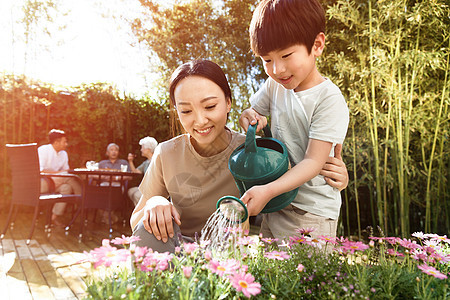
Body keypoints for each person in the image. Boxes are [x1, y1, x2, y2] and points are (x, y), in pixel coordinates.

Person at [131, 59, 348, 253]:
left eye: (210, 106)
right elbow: (137, 222)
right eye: (186, 111)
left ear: (228, 103)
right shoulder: (167, 152)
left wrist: (334, 174)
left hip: (224, 257)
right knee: (146, 230)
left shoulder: (251, 152)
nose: (199, 120)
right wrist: (155, 202)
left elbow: (293, 181)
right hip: (175, 249)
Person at [239, 0, 350, 241]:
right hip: (276, 202)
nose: (277, 69)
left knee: (307, 278)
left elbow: (313, 161)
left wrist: (268, 190)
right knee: (273, 277)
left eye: (286, 55)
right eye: (267, 60)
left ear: (317, 45)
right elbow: (251, 113)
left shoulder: (328, 99)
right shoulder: (274, 86)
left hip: (311, 211)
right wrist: (248, 117)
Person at [38, 129, 82, 226]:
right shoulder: (43, 150)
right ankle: (82, 200)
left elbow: (66, 170)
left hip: (56, 182)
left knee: (67, 188)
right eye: (64, 142)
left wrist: (61, 174)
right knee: (69, 177)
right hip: (41, 183)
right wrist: (58, 173)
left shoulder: (63, 154)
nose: (66, 144)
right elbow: (40, 170)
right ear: (56, 142)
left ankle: (53, 217)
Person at [127, 136, 158, 206]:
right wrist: (130, 161)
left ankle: (143, 214)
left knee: (137, 195)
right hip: (146, 187)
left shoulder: (157, 160)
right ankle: (142, 212)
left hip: (154, 188)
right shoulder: (146, 162)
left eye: (142, 148)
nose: (141, 150)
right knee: (130, 191)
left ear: (148, 149)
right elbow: (135, 171)